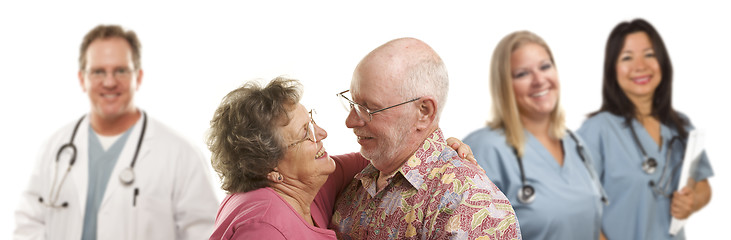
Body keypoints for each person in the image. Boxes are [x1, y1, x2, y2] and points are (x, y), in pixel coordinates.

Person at [14, 25, 219, 239]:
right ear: (82, 79)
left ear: (138, 77)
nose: (109, 82)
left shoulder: (181, 154)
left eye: (121, 70)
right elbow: (28, 225)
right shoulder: (54, 148)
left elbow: (203, 234)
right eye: (98, 72)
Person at [206, 77, 475, 239]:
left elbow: (383, 157)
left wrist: (437, 147)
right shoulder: (264, 228)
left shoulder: (310, 183)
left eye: (311, 120)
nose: (322, 133)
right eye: (306, 133)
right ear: (270, 167)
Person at [330, 37, 522, 239]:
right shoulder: (355, 184)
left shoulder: (469, 202)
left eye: (368, 108)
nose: (350, 121)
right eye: (352, 102)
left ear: (424, 112)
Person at [463, 31, 608, 239]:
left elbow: (592, 227)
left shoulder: (575, 143)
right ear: (505, 86)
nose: (539, 80)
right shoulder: (485, 149)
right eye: (522, 74)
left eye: (545, 67)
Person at [577, 19, 713, 240]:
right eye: (627, 57)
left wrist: (692, 202)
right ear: (613, 69)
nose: (640, 66)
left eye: (649, 54)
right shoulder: (597, 131)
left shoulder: (681, 126)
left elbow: (703, 186)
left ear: (662, 62)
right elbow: (580, 207)